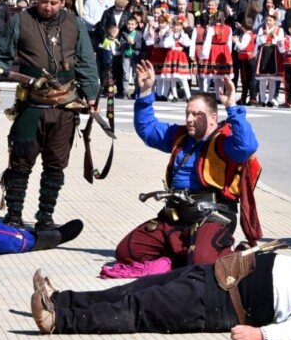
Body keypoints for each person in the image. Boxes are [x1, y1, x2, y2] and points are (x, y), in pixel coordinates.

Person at [30, 252, 291, 340]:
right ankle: (61, 300)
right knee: (133, 289)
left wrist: (260, 336)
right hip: (219, 274)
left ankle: (58, 321)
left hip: (219, 302)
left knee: (139, 309)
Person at [102, 66, 261, 277]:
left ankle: (232, 254)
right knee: (127, 251)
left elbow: (247, 147)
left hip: (212, 215)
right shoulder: (180, 136)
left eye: (197, 114)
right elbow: (147, 129)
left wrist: (232, 106)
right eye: (187, 113)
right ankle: (177, 258)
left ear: (213, 117)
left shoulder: (225, 142)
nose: (189, 119)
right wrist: (146, 92)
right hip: (176, 216)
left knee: (202, 264)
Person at [0, 0, 101, 229]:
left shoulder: (74, 23)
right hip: (31, 107)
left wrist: (92, 94)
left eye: (53, 2)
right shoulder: (21, 20)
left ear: (63, 2)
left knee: (55, 166)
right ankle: (14, 216)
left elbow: (86, 62)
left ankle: (45, 218)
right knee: (20, 164)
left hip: (63, 110)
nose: (47, 6)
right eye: (43, 0)